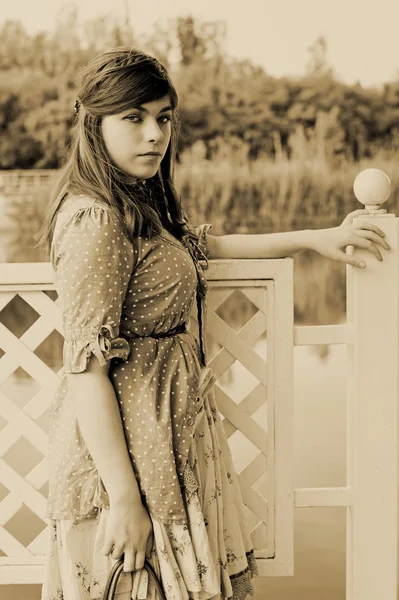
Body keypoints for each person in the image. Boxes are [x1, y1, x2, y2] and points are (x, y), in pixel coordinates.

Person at [36, 46, 389, 600]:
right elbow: (86, 370)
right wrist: (124, 498)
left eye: (163, 118)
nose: (155, 134)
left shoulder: (133, 205)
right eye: (134, 118)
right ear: (94, 123)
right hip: (129, 456)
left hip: (162, 435)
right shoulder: (95, 219)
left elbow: (198, 247)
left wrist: (314, 238)